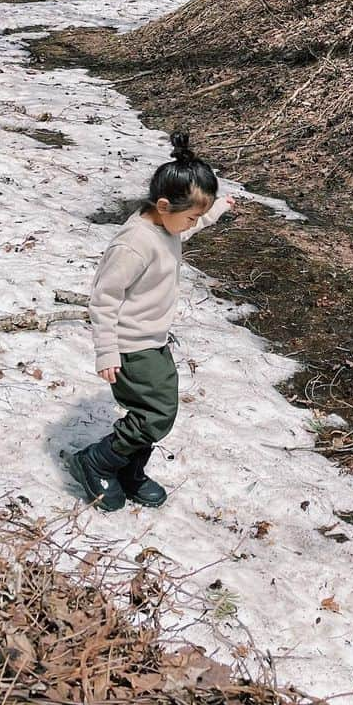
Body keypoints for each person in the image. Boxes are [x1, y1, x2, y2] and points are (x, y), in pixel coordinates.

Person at [74, 131, 233, 511]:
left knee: (157, 409)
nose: (193, 223)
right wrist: (106, 351)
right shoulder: (134, 244)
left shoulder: (166, 224)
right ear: (163, 205)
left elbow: (187, 227)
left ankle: (129, 470)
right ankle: (97, 461)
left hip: (153, 339)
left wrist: (215, 211)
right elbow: (103, 299)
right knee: (156, 413)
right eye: (191, 215)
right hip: (129, 345)